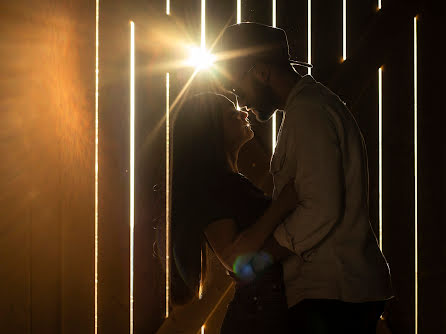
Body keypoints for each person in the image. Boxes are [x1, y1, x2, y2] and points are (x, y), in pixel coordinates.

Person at [218, 22, 394, 333]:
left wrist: (260, 259)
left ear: (261, 72)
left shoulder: (309, 113)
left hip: (334, 295)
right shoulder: (306, 110)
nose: (240, 100)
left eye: (236, 87)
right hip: (332, 294)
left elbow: (320, 208)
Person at [170, 92, 297, 333]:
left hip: (265, 311)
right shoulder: (212, 186)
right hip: (257, 317)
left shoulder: (228, 182)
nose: (244, 112)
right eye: (232, 114)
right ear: (211, 132)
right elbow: (234, 259)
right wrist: (281, 207)